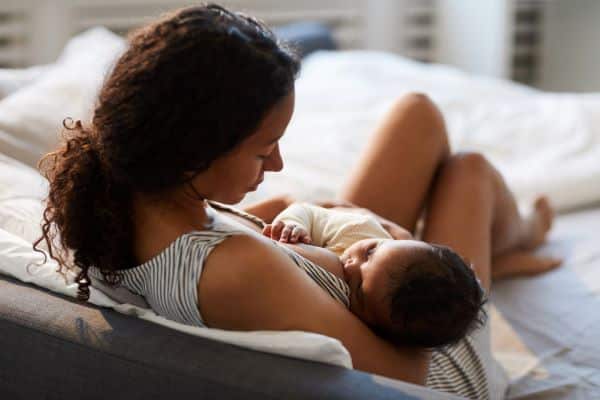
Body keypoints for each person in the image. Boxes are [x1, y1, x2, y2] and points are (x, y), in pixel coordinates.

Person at [33, 4, 561, 399]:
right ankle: (515, 239)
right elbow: (406, 376)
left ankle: (504, 246)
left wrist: (302, 221)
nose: (278, 162)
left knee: (417, 114)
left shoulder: (126, 201)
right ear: (195, 152)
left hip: (350, 277)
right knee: (468, 171)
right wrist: (394, 241)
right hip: (436, 341)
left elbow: (239, 231)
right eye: (264, 149)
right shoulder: (237, 271)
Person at [263, 202, 487, 349]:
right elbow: (307, 211)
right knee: (470, 164)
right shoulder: (361, 230)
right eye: (370, 252)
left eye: (359, 287)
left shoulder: (370, 330)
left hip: (462, 362)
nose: (350, 265)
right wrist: (294, 224)